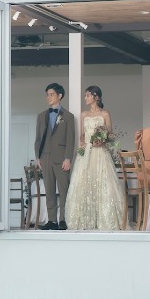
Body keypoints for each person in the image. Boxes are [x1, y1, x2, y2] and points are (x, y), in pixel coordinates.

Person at [65, 86, 124, 230]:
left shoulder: (105, 114)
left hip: (101, 153)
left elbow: (111, 136)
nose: (85, 98)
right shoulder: (83, 115)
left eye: (88, 95)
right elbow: (82, 137)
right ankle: (84, 220)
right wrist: (80, 153)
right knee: (83, 184)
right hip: (86, 153)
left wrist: (102, 140)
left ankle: (106, 219)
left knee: (104, 185)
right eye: (85, 95)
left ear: (96, 97)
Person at [33, 82, 76, 230]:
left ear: (60, 96)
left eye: (51, 94)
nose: (48, 97)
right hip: (45, 158)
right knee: (49, 190)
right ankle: (52, 220)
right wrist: (38, 156)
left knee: (64, 190)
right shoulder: (41, 116)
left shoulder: (68, 117)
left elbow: (71, 139)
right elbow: (38, 138)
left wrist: (68, 158)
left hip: (61, 158)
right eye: (47, 95)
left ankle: (63, 219)